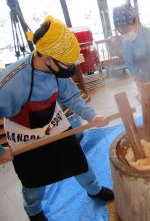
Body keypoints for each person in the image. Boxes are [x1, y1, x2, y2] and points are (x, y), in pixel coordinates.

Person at [0, 16, 114, 221]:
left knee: (77, 160)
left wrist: (91, 116)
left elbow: (71, 97)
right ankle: (34, 210)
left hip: (54, 122)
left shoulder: (57, 70)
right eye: (68, 63)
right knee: (33, 180)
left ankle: (94, 189)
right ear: (47, 59)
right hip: (24, 133)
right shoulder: (10, 82)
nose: (72, 67)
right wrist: (0, 151)